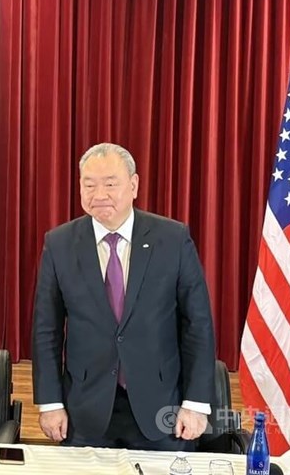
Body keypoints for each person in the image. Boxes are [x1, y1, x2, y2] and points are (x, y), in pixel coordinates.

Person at [32, 143, 215, 450]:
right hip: (85, 407)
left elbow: (198, 324)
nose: (99, 194)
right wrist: (50, 403)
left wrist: (196, 403)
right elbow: (46, 329)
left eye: (110, 184)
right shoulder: (59, 243)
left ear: (133, 185)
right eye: (89, 185)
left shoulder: (172, 239)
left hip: (160, 406)